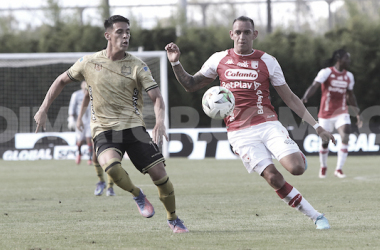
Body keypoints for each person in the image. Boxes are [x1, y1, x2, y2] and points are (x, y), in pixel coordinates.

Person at [166, 16, 336, 230]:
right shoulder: (219, 60)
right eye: (238, 32)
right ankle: (316, 216)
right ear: (231, 34)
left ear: (254, 35)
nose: (242, 36)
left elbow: (290, 98)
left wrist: (318, 126)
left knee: (297, 168)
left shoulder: (268, 61)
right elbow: (190, 84)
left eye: (247, 32)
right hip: (239, 133)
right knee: (273, 178)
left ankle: (298, 156)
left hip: (267, 124)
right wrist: (175, 62)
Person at [34, 15, 188, 233]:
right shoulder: (88, 62)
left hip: (134, 128)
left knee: (160, 176)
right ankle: (138, 194)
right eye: (120, 32)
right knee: (112, 168)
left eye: (128, 32)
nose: (125, 36)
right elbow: (60, 80)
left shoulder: (138, 65)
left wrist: (160, 122)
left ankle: (173, 218)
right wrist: (43, 109)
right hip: (104, 130)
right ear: (107, 35)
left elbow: (157, 98)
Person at [301, 49, 362, 179]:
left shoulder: (349, 76)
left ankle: (339, 169)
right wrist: (305, 98)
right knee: (325, 141)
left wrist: (357, 113)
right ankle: (323, 166)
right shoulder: (326, 72)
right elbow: (314, 86)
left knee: (345, 136)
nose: (349, 61)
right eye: (347, 58)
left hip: (341, 112)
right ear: (339, 59)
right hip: (325, 114)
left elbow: (350, 96)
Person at [69, 82, 116, 196]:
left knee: (112, 158)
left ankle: (110, 187)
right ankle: (101, 181)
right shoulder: (86, 95)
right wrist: (76, 118)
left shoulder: (110, 91)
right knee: (96, 157)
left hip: (111, 125)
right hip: (96, 126)